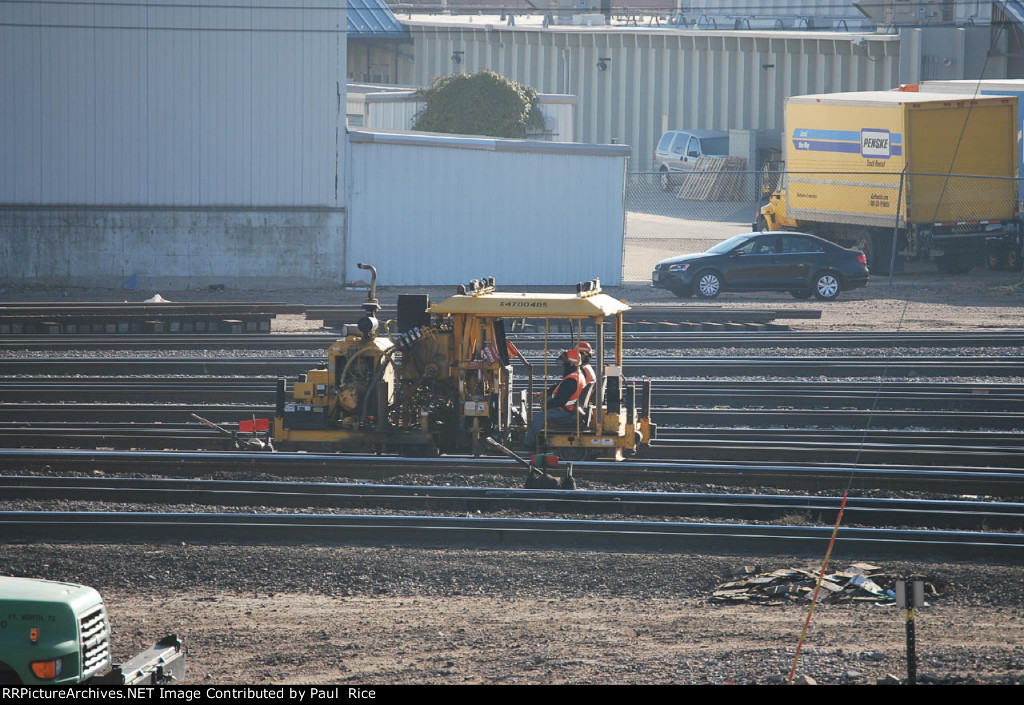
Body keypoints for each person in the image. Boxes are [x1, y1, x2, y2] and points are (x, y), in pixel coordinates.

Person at [523, 348, 585, 449]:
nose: (563, 365)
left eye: (565, 362)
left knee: (538, 418)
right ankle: (539, 439)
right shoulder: (576, 375)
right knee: (542, 415)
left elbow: (560, 400)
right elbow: (560, 386)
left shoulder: (572, 380)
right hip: (570, 410)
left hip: (566, 413)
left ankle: (529, 444)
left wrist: (546, 406)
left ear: (571, 363)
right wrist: (545, 393)